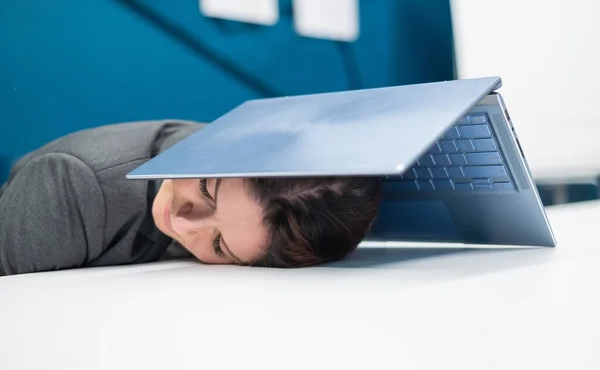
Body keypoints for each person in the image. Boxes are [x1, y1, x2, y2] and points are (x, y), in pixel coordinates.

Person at [0, 120, 383, 276]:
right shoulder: (71, 188)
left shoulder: (225, 164)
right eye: (204, 190)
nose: (181, 223)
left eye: (220, 245)